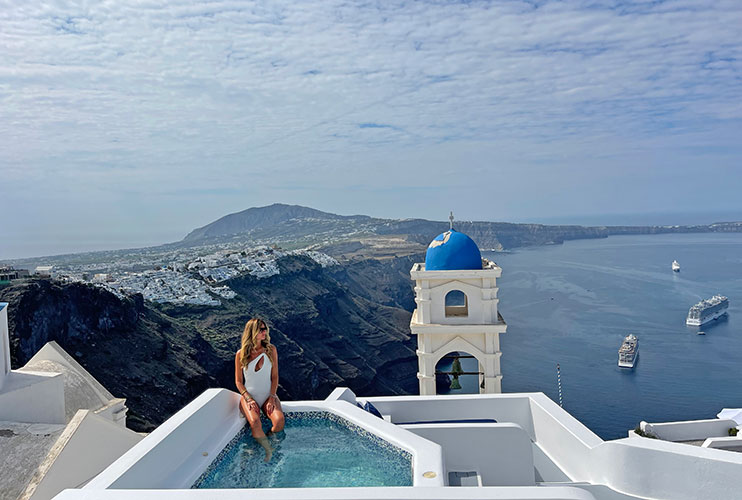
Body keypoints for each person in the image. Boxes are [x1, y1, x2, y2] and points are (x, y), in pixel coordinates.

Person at [235, 318, 285, 461]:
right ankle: (268, 450)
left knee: (279, 421)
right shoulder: (241, 354)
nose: (265, 332)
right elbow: (238, 382)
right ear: (252, 332)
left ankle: (265, 440)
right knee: (256, 423)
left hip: (268, 395)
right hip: (249, 397)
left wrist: (272, 396)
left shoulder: (271, 350)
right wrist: (248, 398)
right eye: (261, 330)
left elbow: (274, 377)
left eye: (265, 329)